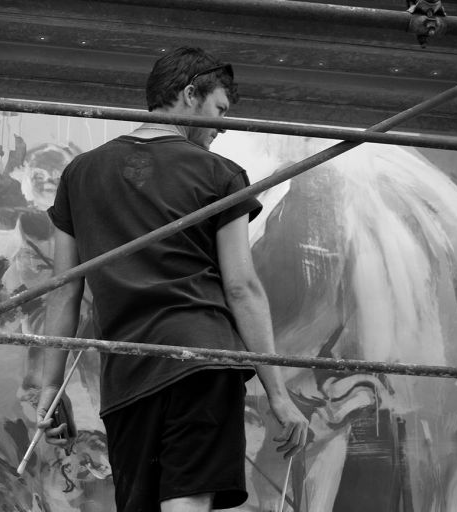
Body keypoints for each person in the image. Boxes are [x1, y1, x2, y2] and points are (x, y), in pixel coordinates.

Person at [36, 47, 309, 512]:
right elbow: (241, 286)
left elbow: (66, 289)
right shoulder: (219, 174)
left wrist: (49, 389)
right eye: (221, 110)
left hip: (127, 373)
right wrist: (278, 394)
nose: (224, 126)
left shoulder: (78, 174)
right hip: (201, 362)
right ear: (189, 94)